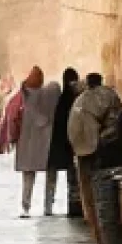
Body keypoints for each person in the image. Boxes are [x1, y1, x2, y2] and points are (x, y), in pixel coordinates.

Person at [11, 66, 62, 217]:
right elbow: (56, 88)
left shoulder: (22, 97)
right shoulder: (50, 94)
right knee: (51, 174)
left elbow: (13, 118)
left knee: (28, 176)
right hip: (47, 143)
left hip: (27, 143)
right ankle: (48, 207)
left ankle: (25, 207)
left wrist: (12, 138)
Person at [47, 68, 83, 217]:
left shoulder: (63, 100)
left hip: (62, 145)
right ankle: (73, 207)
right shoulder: (75, 100)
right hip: (69, 145)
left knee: (68, 177)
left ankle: (51, 207)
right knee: (72, 177)